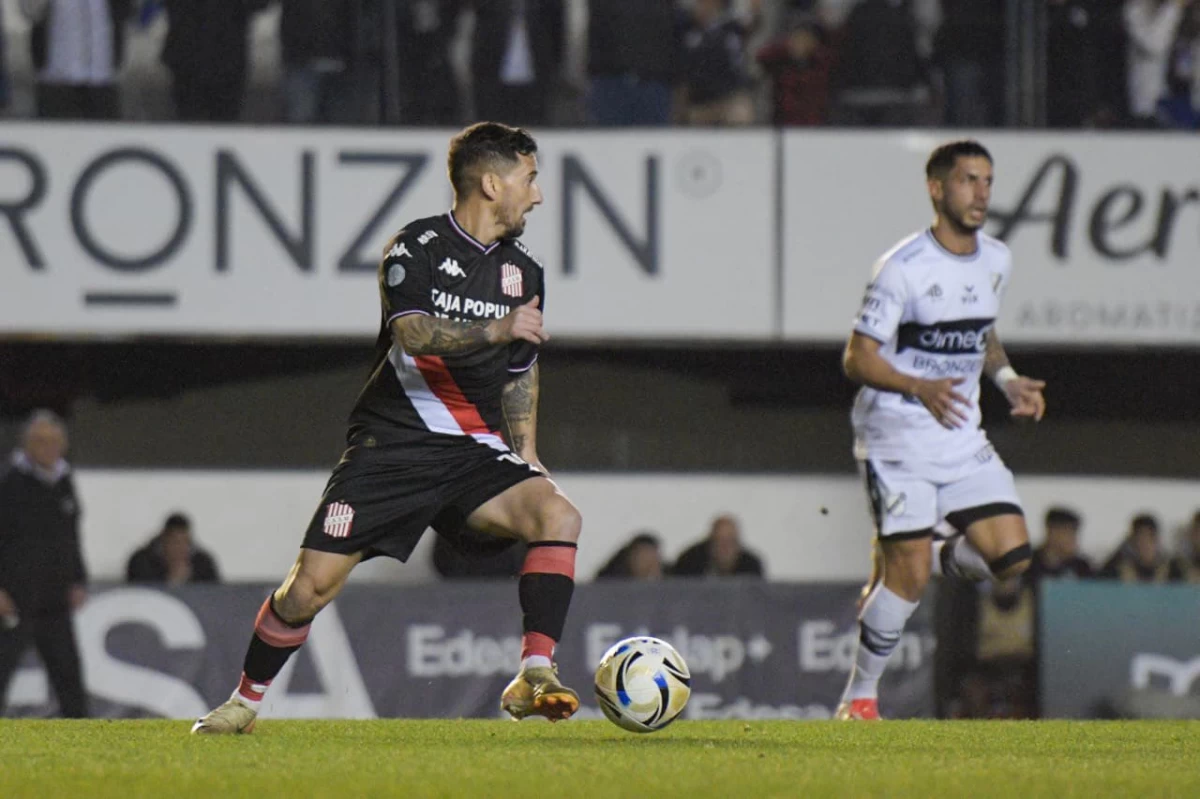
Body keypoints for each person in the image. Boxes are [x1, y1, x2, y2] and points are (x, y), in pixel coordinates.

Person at [192, 122, 583, 734]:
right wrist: (494, 329)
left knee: (558, 515)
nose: (537, 195)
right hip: (390, 447)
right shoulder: (415, 248)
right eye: (529, 179)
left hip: (471, 452)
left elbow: (520, 370)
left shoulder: (523, 271)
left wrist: (528, 452)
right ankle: (244, 700)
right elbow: (413, 333)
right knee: (306, 592)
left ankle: (535, 672)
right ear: (490, 182)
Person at [836, 139, 1047, 721]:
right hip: (896, 439)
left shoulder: (996, 259)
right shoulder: (902, 267)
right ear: (937, 188)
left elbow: (982, 332)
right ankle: (859, 698)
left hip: (960, 436)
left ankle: (930, 548)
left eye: (987, 181)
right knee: (907, 583)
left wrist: (1005, 379)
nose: (980, 193)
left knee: (1014, 557)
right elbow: (858, 358)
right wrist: (918, 386)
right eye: (968, 181)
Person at [0, 410, 89, 718]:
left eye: (54, 442)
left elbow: (71, 536)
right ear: (26, 444)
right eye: (40, 442)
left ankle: (86, 745)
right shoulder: (9, 482)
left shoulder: (64, 481)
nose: (48, 448)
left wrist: (78, 579)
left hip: (55, 600)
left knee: (69, 679)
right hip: (13, 599)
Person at [126, 512, 221, 585]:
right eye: (175, 542)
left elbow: (213, 592)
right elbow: (140, 593)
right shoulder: (141, 562)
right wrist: (172, 581)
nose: (180, 549)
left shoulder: (203, 563)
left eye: (185, 543)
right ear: (164, 541)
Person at [672, 514, 764, 577]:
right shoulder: (689, 563)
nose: (725, 548)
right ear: (710, 543)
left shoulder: (751, 567)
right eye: (720, 542)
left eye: (731, 542)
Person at [1025, 506, 1093, 585]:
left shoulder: (1082, 567)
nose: (1073, 539)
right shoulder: (1027, 565)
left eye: (1074, 533)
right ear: (1052, 532)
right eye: (1069, 533)